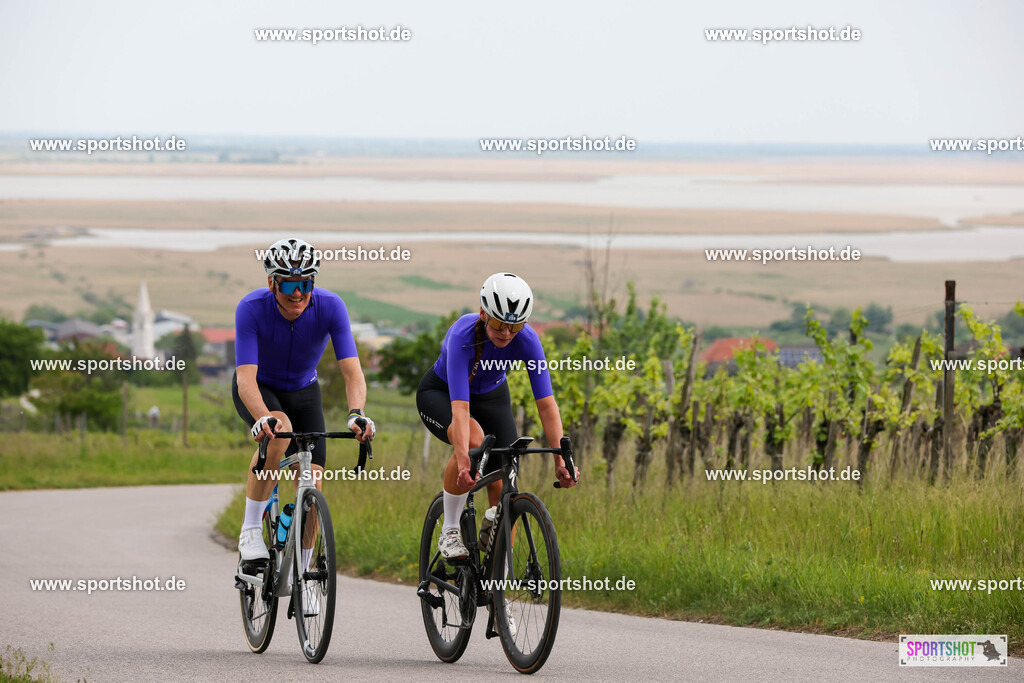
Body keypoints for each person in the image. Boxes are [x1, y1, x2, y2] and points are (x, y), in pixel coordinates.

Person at [233, 237, 374, 615]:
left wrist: (356, 412)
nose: (299, 294)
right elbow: (245, 377)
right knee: (278, 429)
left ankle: (305, 571)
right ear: (271, 284)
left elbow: (352, 371)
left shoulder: (331, 306)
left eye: (306, 284)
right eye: (290, 284)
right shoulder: (251, 308)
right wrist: (262, 416)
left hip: (304, 390)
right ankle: (249, 530)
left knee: (312, 480)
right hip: (259, 389)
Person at [416, 272, 578, 561]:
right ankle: (450, 529)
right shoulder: (461, 336)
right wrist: (464, 457)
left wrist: (560, 458)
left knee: (505, 481)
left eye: (515, 326)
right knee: (474, 439)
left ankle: (497, 587)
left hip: (492, 396)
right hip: (442, 394)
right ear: (483, 314)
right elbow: (461, 408)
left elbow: (546, 404)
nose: (506, 333)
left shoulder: (527, 340)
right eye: (500, 324)